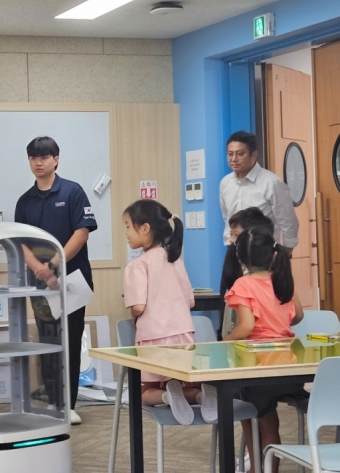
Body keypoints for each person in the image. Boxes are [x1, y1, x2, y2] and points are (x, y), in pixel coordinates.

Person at [15, 136, 97, 425]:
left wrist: (52, 266)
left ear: (56, 159)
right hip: (40, 285)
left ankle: (69, 404)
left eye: (45, 157)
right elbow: (21, 244)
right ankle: (53, 402)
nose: (39, 162)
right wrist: (39, 269)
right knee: (48, 343)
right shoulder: (25, 201)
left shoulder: (73, 192)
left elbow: (82, 232)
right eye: (33, 158)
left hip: (72, 281)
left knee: (70, 342)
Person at [123, 199, 217, 425]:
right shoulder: (175, 260)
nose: (126, 234)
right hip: (183, 335)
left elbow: (139, 306)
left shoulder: (137, 266)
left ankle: (166, 396)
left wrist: (133, 316)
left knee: (142, 392)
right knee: (186, 381)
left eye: (127, 226)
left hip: (153, 338)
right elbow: (190, 301)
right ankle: (199, 395)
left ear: (145, 228)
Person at [224, 226, 305, 473]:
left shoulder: (243, 284)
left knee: (251, 409)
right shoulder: (282, 279)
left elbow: (247, 326)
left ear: (241, 259)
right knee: (269, 421)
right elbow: (299, 315)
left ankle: (257, 467)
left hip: (259, 370)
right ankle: (269, 468)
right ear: (272, 254)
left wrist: (227, 339)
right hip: (289, 369)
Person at [220, 131, 299, 257]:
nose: (234, 159)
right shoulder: (225, 183)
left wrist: (285, 254)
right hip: (233, 249)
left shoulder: (272, 182)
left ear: (254, 155)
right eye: (230, 154)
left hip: (263, 251)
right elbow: (227, 217)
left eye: (240, 154)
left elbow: (288, 221)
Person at [219, 207, 276, 339]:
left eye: (237, 235)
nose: (232, 240)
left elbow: (247, 325)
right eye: (231, 234)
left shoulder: (248, 282)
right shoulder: (232, 258)